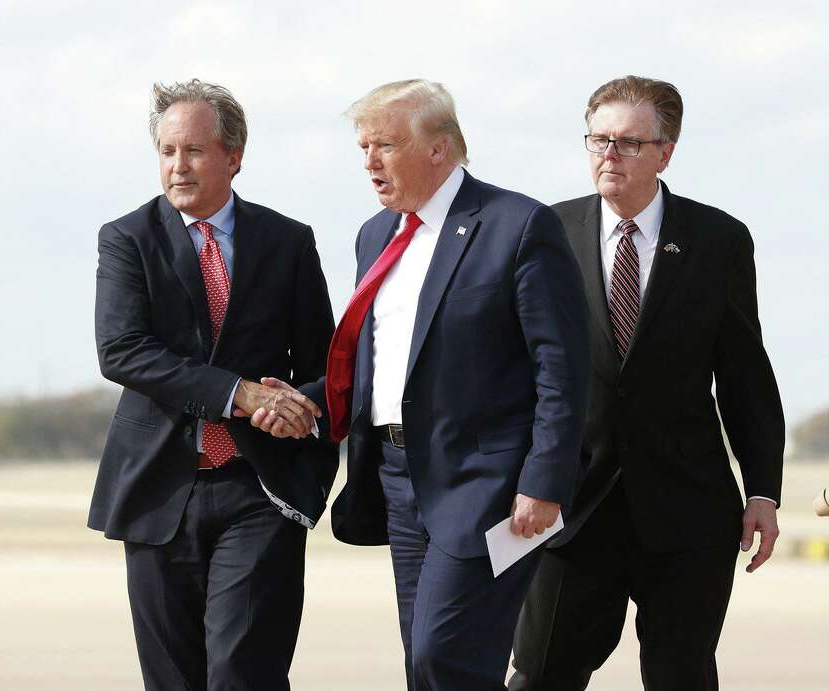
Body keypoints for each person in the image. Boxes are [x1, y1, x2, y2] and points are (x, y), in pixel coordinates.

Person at [252, 79, 590, 691]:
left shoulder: (518, 224)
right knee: (428, 664)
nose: (369, 162)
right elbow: (378, 365)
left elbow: (561, 371)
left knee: (444, 655)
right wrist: (300, 399)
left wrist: (544, 482)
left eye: (384, 145)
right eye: (363, 148)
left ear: (439, 149)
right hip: (398, 480)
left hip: (489, 486)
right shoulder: (375, 235)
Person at [508, 75, 785, 691]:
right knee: (538, 676)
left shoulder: (719, 240)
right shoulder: (542, 233)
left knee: (681, 676)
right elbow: (512, 374)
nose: (610, 154)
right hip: (567, 509)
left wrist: (763, 489)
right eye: (599, 139)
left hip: (687, 514)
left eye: (630, 143)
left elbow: (745, 376)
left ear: (666, 151)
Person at [88, 79, 337, 691]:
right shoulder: (127, 238)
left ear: (234, 156)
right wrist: (240, 393)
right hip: (157, 489)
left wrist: (295, 407)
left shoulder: (288, 240)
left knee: (242, 676)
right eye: (167, 151)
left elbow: (327, 364)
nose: (178, 166)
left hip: (259, 488)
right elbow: (122, 351)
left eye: (194, 151)